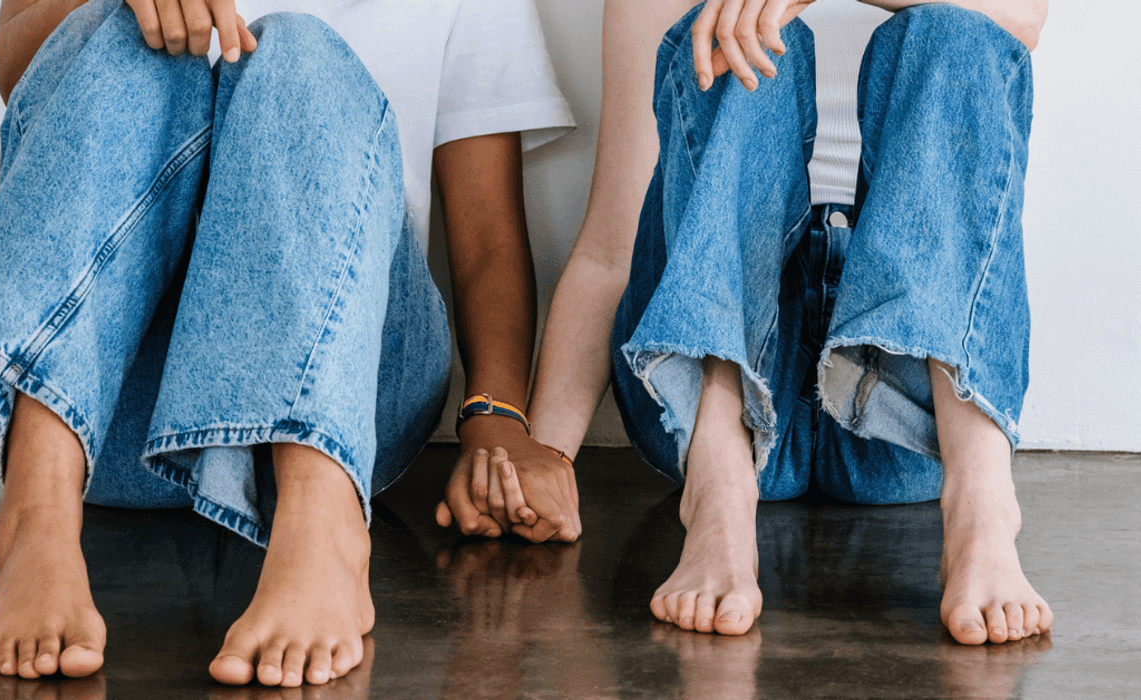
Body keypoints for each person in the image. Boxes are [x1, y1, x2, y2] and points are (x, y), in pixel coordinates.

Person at [0, 0, 573, 685]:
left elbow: (487, 241)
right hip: (107, 414)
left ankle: (322, 527)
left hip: (350, 402)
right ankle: (35, 515)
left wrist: (497, 419)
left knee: (299, 50)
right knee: (114, 26)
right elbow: (26, 79)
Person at [452, 0, 1055, 646]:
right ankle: (717, 495)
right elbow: (609, 253)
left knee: (953, 34)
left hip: (901, 405)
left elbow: (1019, 17)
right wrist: (541, 459)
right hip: (717, 392)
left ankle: (981, 508)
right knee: (728, 34)